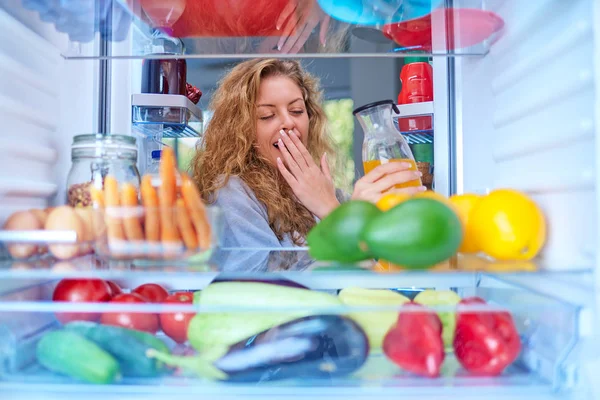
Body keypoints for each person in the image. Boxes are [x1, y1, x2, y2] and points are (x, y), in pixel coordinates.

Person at [191, 58, 426, 249]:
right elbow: (268, 282)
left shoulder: (321, 188)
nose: (288, 122)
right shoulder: (231, 191)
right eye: (267, 115)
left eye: (296, 110)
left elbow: (372, 265)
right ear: (241, 128)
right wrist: (336, 216)